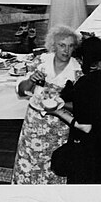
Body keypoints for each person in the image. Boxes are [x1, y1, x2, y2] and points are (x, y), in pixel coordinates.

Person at [11, 26, 82, 184]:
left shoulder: (77, 71)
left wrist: (60, 103)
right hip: (33, 126)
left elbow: (80, 105)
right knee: (27, 165)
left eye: (70, 46)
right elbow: (22, 92)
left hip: (58, 129)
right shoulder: (41, 62)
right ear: (53, 46)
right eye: (62, 45)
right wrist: (31, 80)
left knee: (53, 168)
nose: (66, 50)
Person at [54, 36, 101, 184]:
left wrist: (59, 107)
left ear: (83, 59)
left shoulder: (84, 83)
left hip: (87, 144)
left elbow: (79, 109)